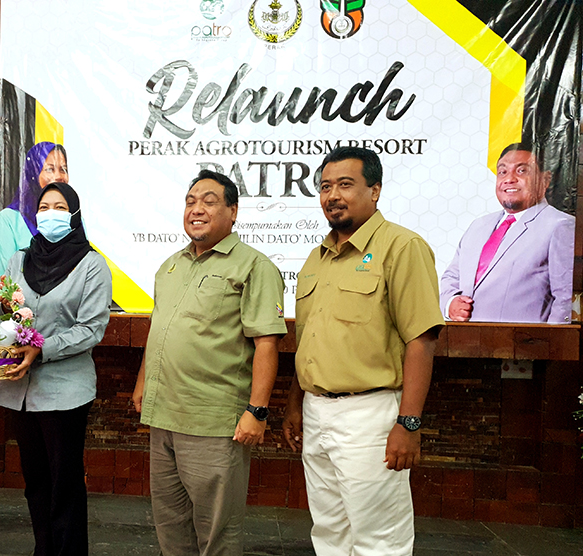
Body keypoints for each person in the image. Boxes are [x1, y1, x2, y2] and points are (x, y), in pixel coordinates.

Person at [282, 147, 444, 556]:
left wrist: (408, 422)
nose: (333, 195)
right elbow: (311, 341)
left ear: (375, 190)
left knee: (379, 540)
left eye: (345, 185)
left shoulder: (402, 247)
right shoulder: (317, 258)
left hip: (369, 417)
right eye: (325, 187)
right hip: (316, 414)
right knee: (329, 532)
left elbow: (421, 339)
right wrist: (295, 402)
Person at [132, 169, 287, 556]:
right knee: (171, 527)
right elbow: (161, 329)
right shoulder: (171, 265)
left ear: (233, 212)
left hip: (214, 423)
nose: (196, 209)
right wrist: (142, 383)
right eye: (190, 202)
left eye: (209, 201)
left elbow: (267, 343)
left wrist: (257, 411)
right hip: (163, 416)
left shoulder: (253, 266)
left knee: (217, 533)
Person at [0, 182, 111, 556]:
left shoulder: (92, 264)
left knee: (65, 484)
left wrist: (40, 350)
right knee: (35, 482)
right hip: (20, 390)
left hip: (66, 391)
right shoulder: (19, 260)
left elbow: (90, 329)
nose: (50, 214)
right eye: (44, 207)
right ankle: (43, 549)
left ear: (74, 215)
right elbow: (5, 314)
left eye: (60, 207)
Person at [439, 142, 574, 323]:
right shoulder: (478, 226)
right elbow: (451, 276)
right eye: (502, 172)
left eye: (521, 171)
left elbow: (565, 299)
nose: (509, 179)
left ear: (545, 179)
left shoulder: (560, 225)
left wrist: (552, 338)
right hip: (466, 338)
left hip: (524, 340)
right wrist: (450, 303)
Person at [0, 142, 69, 277]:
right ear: (33, 174)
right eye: (50, 169)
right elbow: (6, 280)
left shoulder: (73, 218)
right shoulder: (10, 219)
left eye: (63, 169)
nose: (59, 176)